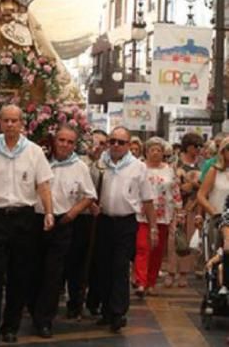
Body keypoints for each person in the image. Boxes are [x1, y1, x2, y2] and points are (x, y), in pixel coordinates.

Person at [0, 104, 54, 346]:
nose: (9, 125)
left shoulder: (34, 152)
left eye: (14, 121)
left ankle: (10, 326)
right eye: (5, 120)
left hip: (24, 219)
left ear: (21, 124)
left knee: (19, 275)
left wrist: (49, 212)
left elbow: (44, 185)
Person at [30, 124, 96, 338]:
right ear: (54, 141)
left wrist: (73, 212)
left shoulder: (80, 166)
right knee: (33, 269)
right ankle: (32, 310)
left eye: (69, 142)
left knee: (53, 273)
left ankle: (44, 320)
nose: (65, 145)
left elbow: (89, 195)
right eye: (61, 140)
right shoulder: (40, 160)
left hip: (63, 222)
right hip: (37, 219)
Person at [96, 126, 157, 333]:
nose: (115, 145)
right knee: (102, 267)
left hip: (126, 222)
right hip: (102, 221)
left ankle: (118, 312)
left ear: (129, 145)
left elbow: (148, 199)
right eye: (112, 141)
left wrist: (153, 227)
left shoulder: (138, 167)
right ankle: (104, 309)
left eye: (120, 142)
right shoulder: (99, 162)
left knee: (120, 267)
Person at [134, 137, 183, 297]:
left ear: (163, 153)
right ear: (146, 152)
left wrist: (179, 210)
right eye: (152, 150)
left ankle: (151, 282)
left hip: (163, 214)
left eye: (159, 150)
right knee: (142, 247)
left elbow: (175, 190)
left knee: (157, 250)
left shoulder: (169, 169)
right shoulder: (139, 168)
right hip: (142, 214)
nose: (156, 153)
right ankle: (141, 281)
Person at [66, 128, 107, 318]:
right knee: (71, 261)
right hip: (75, 215)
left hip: (94, 220)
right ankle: (72, 300)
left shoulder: (105, 165)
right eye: (94, 143)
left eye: (102, 144)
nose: (97, 147)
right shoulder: (77, 162)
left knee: (88, 264)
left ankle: (86, 301)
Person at [166, 131, 203, 288]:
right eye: (196, 146)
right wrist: (182, 188)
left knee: (188, 241)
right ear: (187, 147)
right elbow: (170, 184)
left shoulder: (202, 164)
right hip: (177, 206)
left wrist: (195, 186)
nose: (199, 149)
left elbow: (205, 185)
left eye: (200, 146)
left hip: (194, 206)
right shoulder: (175, 163)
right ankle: (171, 272)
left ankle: (184, 274)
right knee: (174, 240)